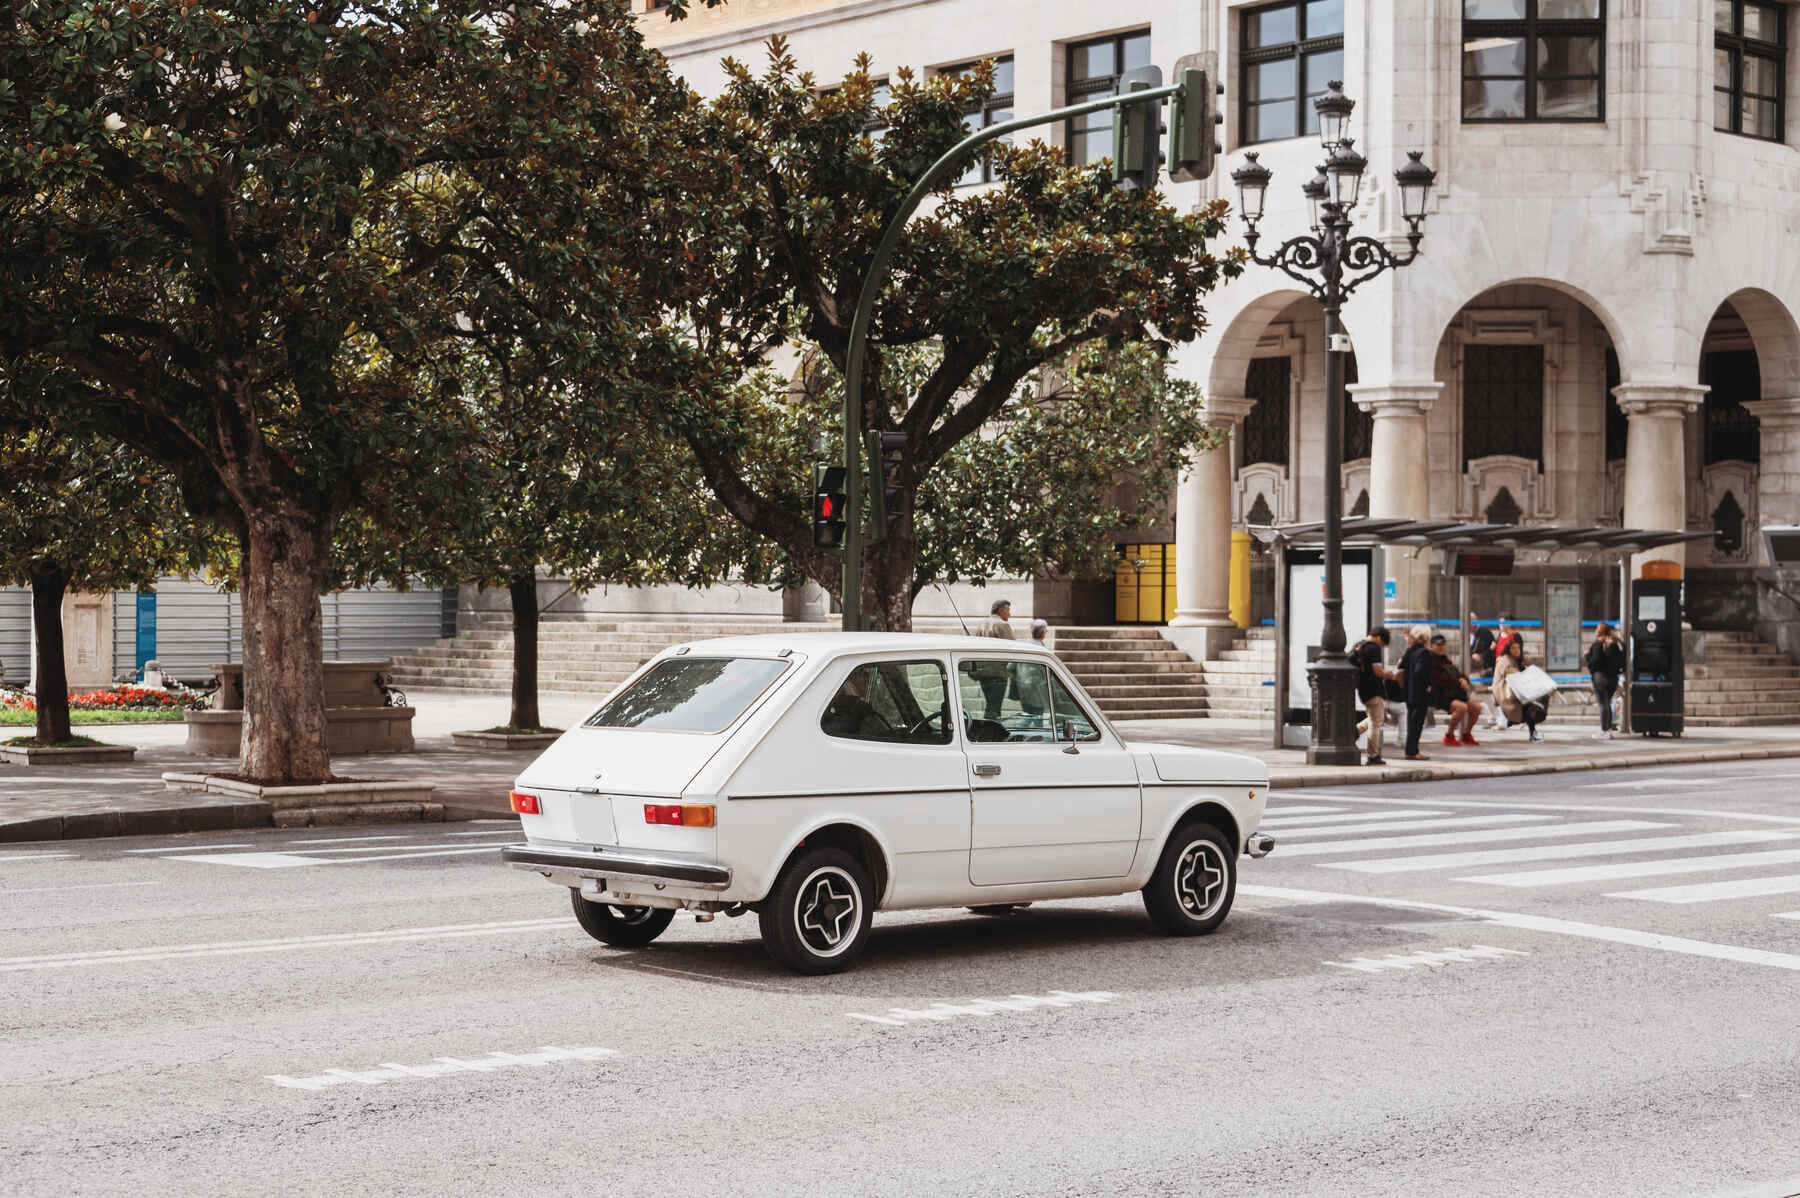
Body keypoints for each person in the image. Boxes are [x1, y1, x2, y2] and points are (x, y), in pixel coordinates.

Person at [1352, 626, 1398, 766]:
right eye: (1382, 643)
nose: (1381, 646)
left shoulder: (1359, 645)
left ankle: (1354, 731)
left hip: (1363, 689)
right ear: (1379, 637)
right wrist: (1391, 675)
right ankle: (1373, 755)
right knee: (1375, 723)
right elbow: (1377, 671)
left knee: (1375, 719)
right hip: (1374, 689)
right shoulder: (1373, 648)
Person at [1427, 634, 1483, 746]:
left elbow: (1457, 673)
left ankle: (1466, 734)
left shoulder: (1446, 660)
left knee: (1477, 708)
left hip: (1454, 694)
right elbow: (1438, 680)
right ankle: (1449, 735)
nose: (1441, 647)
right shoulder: (1430, 661)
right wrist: (1459, 683)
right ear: (1432, 646)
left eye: (1442, 645)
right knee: (1462, 708)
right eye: (1438, 645)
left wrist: (1464, 680)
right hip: (1441, 695)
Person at [1492, 636, 1549, 743]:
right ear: (1509, 649)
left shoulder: (1517, 660)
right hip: (1506, 694)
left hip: (1515, 692)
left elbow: (1524, 676)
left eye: (1518, 648)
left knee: (1538, 701)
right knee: (1528, 706)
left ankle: (1511, 722)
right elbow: (1516, 678)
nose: (1517, 651)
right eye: (1513, 648)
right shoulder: (1505, 661)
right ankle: (1531, 733)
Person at [973, 598, 1015, 719]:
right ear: (1001, 610)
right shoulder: (1002, 624)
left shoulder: (982, 623)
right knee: (994, 707)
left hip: (983, 673)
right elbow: (1013, 647)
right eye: (1008, 610)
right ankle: (990, 733)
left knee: (991, 705)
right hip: (998, 673)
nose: (1010, 614)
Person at [1399, 625, 1435, 760]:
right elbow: (1420, 671)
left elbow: (1401, 666)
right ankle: (1413, 751)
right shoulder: (1424, 653)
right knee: (1417, 723)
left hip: (1409, 692)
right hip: (1420, 693)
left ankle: (1410, 750)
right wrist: (1427, 685)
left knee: (1411, 722)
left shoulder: (1410, 651)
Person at [1587, 622, 1626, 740]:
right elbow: (1623, 661)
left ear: (1599, 632)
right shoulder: (1618, 643)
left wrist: (1587, 656)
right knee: (1607, 703)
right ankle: (1607, 730)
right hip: (1614, 678)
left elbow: (1595, 663)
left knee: (1603, 704)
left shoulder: (1598, 644)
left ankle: (1604, 731)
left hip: (1600, 678)